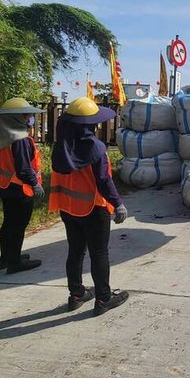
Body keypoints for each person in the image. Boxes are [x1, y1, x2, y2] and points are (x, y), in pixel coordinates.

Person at [49, 97, 130, 316]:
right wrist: (118, 203)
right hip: (93, 210)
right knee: (99, 254)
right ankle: (103, 298)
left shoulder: (61, 148)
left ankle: (76, 294)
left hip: (68, 208)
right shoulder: (95, 148)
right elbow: (104, 181)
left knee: (75, 252)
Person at [0, 97, 45, 274]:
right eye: (26, 116)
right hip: (19, 189)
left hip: (5, 187)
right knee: (18, 226)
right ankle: (15, 262)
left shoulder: (4, 137)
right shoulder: (20, 139)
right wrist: (35, 185)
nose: (29, 119)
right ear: (17, 118)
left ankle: (7, 257)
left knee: (9, 224)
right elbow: (24, 168)